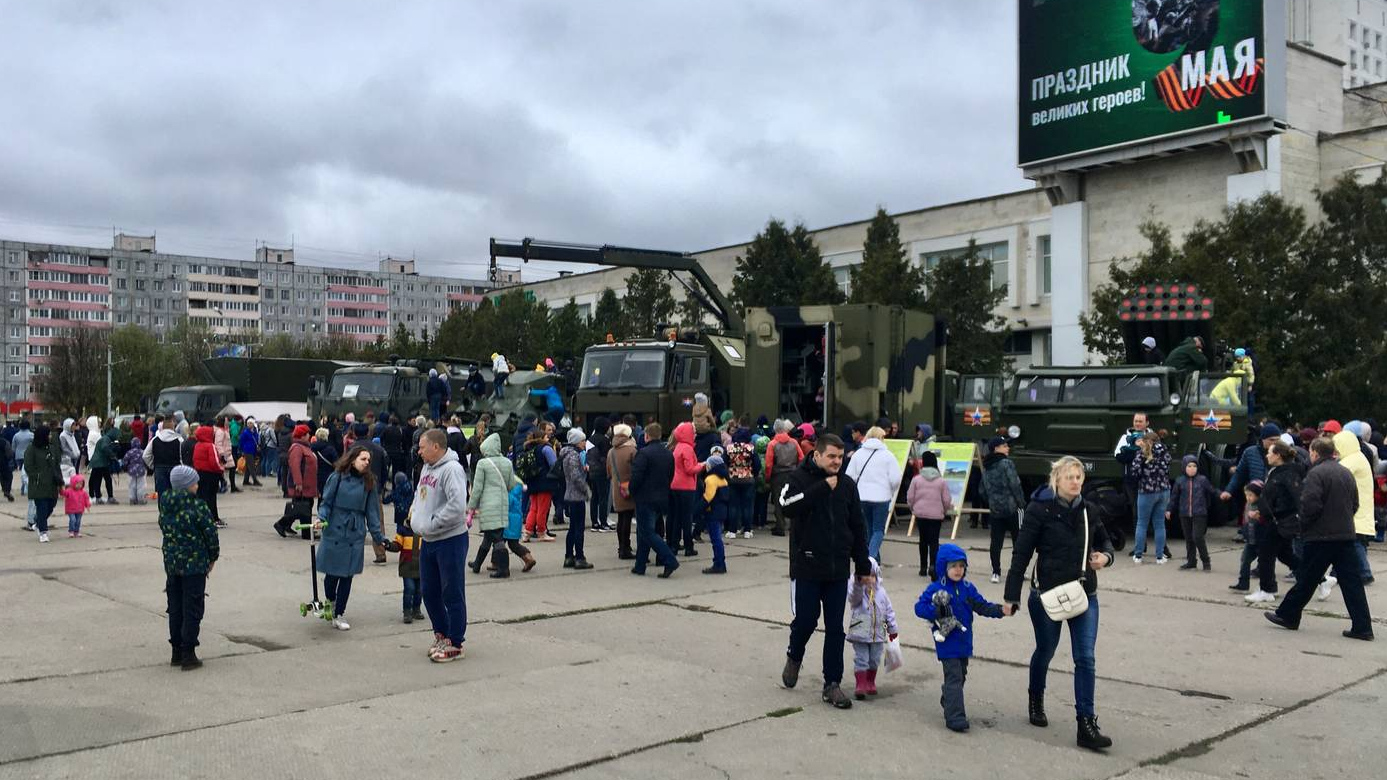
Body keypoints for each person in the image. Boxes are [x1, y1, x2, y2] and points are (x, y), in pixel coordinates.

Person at [1004, 455, 1116, 751]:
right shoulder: (1039, 509)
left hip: (1084, 594)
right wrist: (1011, 595)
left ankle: (1086, 723)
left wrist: (1105, 557)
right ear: (1057, 479)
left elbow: (1108, 542)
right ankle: (1036, 697)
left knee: (1085, 658)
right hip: (1046, 595)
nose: (1076, 482)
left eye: (1079, 477)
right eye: (1070, 477)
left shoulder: (1089, 511)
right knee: (1046, 650)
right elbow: (1022, 553)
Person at [778, 434, 872, 710]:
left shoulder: (847, 485)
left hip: (837, 569)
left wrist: (863, 566)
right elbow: (786, 507)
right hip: (807, 565)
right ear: (817, 455)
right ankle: (795, 655)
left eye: (840, 457)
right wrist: (821, 488)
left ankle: (832, 684)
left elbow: (858, 527)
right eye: (831, 456)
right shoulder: (798, 478)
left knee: (835, 629)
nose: (836, 462)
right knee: (806, 621)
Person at [1265, 437, 1374, 640]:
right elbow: (1355, 504)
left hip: (1321, 536)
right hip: (1345, 534)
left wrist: (1305, 525)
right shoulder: (1345, 472)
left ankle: (1288, 615)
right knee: (1352, 583)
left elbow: (1309, 505)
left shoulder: (1316, 474)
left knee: (1307, 577)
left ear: (1315, 452)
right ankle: (1363, 627)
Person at [916, 544, 1011, 731]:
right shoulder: (935, 588)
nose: (958, 570)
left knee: (961, 676)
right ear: (944, 567)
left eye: (961, 566)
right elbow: (919, 608)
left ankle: (949, 699)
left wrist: (1001, 610)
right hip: (947, 641)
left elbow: (982, 606)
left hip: (965, 641)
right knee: (954, 677)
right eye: (953, 566)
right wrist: (937, 610)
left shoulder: (968, 588)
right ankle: (955, 717)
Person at [413, 429, 471, 662]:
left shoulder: (452, 470)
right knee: (429, 591)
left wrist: (433, 523)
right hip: (428, 541)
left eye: (422, 447)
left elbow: (457, 506)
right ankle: (441, 633)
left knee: (452, 591)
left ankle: (455, 641)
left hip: (450, 540)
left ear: (436, 447)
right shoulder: (427, 468)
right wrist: (415, 514)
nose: (419, 451)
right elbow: (422, 495)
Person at [315, 445, 386, 631]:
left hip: (355, 533)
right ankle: (329, 603)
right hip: (335, 529)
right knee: (331, 576)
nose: (366, 463)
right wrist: (321, 518)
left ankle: (339, 613)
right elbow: (326, 502)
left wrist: (379, 538)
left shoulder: (369, 482)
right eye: (363, 459)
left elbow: (372, 513)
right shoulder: (336, 477)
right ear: (352, 459)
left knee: (347, 576)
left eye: (368, 460)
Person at [160, 465, 219, 671]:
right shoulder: (198, 506)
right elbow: (210, 533)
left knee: (175, 607)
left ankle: (176, 650)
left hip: (172, 563)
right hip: (194, 564)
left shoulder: (165, 504)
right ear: (186, 486)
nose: (198, 484)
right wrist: (213, 556)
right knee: (192, 607)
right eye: (194, 482)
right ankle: (188, 652)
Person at [469, 433, 532, 578]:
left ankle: (503, 569)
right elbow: (511, 484)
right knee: (490, 535)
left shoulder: (482, 464)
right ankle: (477, 564)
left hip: (489, 504)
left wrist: (471, 507)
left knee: (496, 538)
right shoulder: (507, 462)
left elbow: (477, 488)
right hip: (503, 503)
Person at [629, 421, 679, 577]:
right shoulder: (668, 454)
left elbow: (636, 477)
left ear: (647, 435)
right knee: (644, 532)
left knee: (647, 532)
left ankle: (670, 559)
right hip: (662, 497)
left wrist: (631, 490)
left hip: (645, 497)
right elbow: (671, 475)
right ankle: (640, 565)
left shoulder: (643, 453)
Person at [846, 426, 902, 564]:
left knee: (868, 529)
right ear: (882, 438)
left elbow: (849, 477)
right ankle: (870, 558)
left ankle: (875, 559)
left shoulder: (858, 454)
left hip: (862, 496)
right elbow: (895, 479)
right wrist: (890, 490)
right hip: (881, 497)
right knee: (878, 530)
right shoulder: (888, 455)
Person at [848, 557, 898, 701]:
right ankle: (860, 684)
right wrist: (858, 584)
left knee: (875, 658)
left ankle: (870, 681)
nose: (869, 579)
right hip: (861, 628)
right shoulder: (858, 592)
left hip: (878, 630)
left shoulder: (882, 593)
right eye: (866, 576)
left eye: (872, 575)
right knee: (861, 658)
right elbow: (853, 598)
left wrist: (892, 628)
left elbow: (889, 611)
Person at [1332, 429, 1376, 587]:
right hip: (1358, 506)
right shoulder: (1356, 457)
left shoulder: (1353, 459)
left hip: (1357, 508)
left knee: (1355, 541)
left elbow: (1336, 472)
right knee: (1353, 541)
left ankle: (1365, 573)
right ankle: (1337, 572)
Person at [982, 436, 1027, 583]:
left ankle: (996, 572)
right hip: (1012, 508)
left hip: (995, 509)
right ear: (996, 448)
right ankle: (1017, 572)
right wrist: (1021, 503)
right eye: (1004, 445)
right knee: (1019, 541)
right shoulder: (1007, 463)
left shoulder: (987, 465)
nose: (1008, 448)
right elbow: (1015, 484)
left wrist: (992, 500)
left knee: (996, 542)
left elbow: (982, 489)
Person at [383, 472, 423, 622]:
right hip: (407, 565)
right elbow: (397, 546)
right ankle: (407, 612)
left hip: (420, 566)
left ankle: (416, 609)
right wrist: (388, 545)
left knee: (419, 590)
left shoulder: (424, 533)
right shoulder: (403, 532)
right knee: (410, 589)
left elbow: (386, 500)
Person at [1128, 430, 1171, 564]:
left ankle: (1138, 555)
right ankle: (1160, 556)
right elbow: (1168, 468)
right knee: (1159, 524)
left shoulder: (1141, 454)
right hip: (1163, 490)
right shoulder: (1165, 452)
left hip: (1146, 491)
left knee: (1141, 524)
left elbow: (1134, 472)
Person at [907, 451, 952, 579]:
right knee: (934, 541)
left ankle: (922, 567)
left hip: (920, 513)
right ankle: (933, 566)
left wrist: (913, 509)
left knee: (922, 540)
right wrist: (944, 511)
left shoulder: (916, 480)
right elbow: (946, 500)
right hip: (936, 515)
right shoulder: (941, 481)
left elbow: (910, 497)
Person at [1168, 455, 1215, 570]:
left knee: (1197, 536)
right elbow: (1174, 497)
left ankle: (1206, 560)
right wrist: (1169, 509)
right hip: (1184, 513)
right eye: (1189, 466)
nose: (1192, 468)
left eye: (1194, 466)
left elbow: (1212, 491)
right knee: (1188, 538)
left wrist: (1222, 495)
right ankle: (1191, 561)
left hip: (1199, 513)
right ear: (1184, 467)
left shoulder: (1202, 480)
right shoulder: (1180, 481)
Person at [272, 425, 318, 537]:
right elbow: (295, 466)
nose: (309, 436)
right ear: (302, 436)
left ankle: (297, 529)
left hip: (307, 484)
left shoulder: (305, 447)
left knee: (304, 506)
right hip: (301, 485)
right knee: (302, 508)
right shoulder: (297, 448)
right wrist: (298, 483)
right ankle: (284, 525)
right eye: (307, 434)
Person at [517, 424, 558, 543]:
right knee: (543, 509)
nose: (548, 438)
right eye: (546, 436)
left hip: (532, 482)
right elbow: (553, 465)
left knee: (533, 508)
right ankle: (541, 532)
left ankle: (527, 531)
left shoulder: (529, 448)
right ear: (542, 437)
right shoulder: (546, 448)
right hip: (545, 482)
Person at [560, 428, 594, 570]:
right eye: (582, 440)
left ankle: (569, 556)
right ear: (575, 442)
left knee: (572, 528)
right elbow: (576, 477)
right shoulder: (573, 455)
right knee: (579, 528)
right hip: (576, 496)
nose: (584, 442)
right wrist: (586, 490)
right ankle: (580, 557)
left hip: (569, 494)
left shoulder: (566, 454)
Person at [669, 421, 703, 557]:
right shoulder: (688, 449)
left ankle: (674, 545)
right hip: (686, 487)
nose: (694, 435)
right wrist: (703, 465)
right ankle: (689, 546)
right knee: (687, 518)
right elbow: (690, 469)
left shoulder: (677, 447)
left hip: (675, 485)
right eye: (693, 432)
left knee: (677, 516)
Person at [764, 419, 803, 537]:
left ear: (775, 429)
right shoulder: (794, 442)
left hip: (778, 475)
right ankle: (794, 526)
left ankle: (780, 527)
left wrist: (767, 477)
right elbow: (801, 458)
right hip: (792, 474)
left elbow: (768, 464)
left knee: (778, 501)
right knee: (792, 499)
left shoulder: (772, 444)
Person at [23, 426, 61, 543]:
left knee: (51, 505)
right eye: (48, 434)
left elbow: (56, 465)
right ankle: (43, 532)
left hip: (51, 483)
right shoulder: (31, 448)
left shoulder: (52, 448)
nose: (50, 437)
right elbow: (28, 465)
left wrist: (60, 481)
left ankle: (37, 521)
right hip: (39, 485)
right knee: (42, 507)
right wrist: (37, 476)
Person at [608, 422, 639, 559]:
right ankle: (625, 548)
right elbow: (638, 470)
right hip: (629, 488)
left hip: (616, 487)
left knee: (621, 517)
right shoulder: (632, 450)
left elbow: (608, 471)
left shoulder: (611, 451)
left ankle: (621, 546)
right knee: (627, 518)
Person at [725, 426, 760, 539]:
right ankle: (747, 530)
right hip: (748, 479)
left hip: (733, 479)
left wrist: (728, 474)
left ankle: (732, 531)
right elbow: (757, 464)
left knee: (733, 505)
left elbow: (724, 462)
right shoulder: (751, 448)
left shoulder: (729, 448)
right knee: (748, 506)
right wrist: (753, 473)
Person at [1230, 482, 1265, 592]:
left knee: (1265, 563)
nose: (1248, 498)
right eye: (1246, 495)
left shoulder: (1263, 505)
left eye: (1251, 495)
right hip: (1250, 539)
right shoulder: (1247, 505)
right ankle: (1243, 583)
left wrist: (1259, 517)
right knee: (1245, 560)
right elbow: (1245, 520)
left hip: (1261, 539)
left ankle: (1267, 586)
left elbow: (1267, 521)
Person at [701, 448, 730, 574]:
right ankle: (720, 562)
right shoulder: (723, 478)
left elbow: (708, 497)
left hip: (713, 511)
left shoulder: (710, 479)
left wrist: (696, 509)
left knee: (715, 539)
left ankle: (718, 563)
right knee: (718, 538)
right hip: (722, 510)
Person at [192, 425, 224, 528]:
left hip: (199, 473)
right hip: (211, 474)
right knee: (211, 497)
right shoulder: (210, 446)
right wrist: (221, 469)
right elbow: (214, 461)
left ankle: (201, 518)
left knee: (202, 496)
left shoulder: (197, 445)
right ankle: (213, 518)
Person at [144, 418, 184, 497]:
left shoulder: (155, 439)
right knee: (175, 493)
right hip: (175, 468)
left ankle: (162, 508)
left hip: (159, 468)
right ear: (173, 427)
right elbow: (181, 455)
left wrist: (153, 465)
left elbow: (145, 455)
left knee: (162, 494)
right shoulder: (179, 439)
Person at [587, 417, 613, 533]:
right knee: (604, 497)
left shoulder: (590, 439)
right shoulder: (604, 440)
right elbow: (606, 457)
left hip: (592, 471)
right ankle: (603, 522)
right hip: (603, 472)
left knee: (595, 497)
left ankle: (594, 522)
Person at [88, 419, 117, 504]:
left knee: (99, 478)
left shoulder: (99, 433)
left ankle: (98, 496)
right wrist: (111, 453)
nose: (100, 424)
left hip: (99, 459)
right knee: (99, 478)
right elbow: (104, 445)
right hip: (99, 459)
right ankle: (98, 496)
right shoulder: (95, 434)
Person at [62, 474, 91, 538]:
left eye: (81, 484)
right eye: (77, 484)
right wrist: (61, 489)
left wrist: (88, 505)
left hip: (79, 509)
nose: (79, 485)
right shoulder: (69, 491)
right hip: (71, 509)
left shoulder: (83, 492)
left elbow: (86, 499)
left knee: (78, 521)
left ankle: (76, 531)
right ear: (73, 483)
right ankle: (71, 531)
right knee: (73, 520)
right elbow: (64, 493)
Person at [122, 436, 149, 506]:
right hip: (141, 470)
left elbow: (124, 461)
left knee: (132, 485)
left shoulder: (129, 452)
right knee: (141, 486)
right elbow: (146, 460)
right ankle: (140, 499)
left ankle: (132, 499)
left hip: (131, 471)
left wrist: (125, 468)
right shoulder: (142, 452)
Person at [214, 417, 238, 494]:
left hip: (228, 454)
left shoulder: (225, 430)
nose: (228, 422)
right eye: (226, 421)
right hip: (224, 454)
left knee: (231, 469)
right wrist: (221, 454)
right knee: (221, 471)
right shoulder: (220, 432)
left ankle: (231, 486)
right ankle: (223, 485)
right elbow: (218, 443)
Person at [238, 418, 261, 487]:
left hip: (253, 450)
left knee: (248, 466)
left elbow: (256, 439)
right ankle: (255, 480)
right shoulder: (245, 432)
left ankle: (246, 480)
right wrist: (241, 449)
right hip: (247, 450)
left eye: (251, 423)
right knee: (251, 466)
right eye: (248, 423)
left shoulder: (254, 432)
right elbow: (241, 441)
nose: (249, 424)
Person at [13, 420, 32, 498]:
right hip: (29, 455)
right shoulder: (31, 435)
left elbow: (13, 446)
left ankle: (23, 488)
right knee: (28, 472)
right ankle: (25, 488)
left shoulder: (16, 435)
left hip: (19, 456)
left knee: (22, 472)